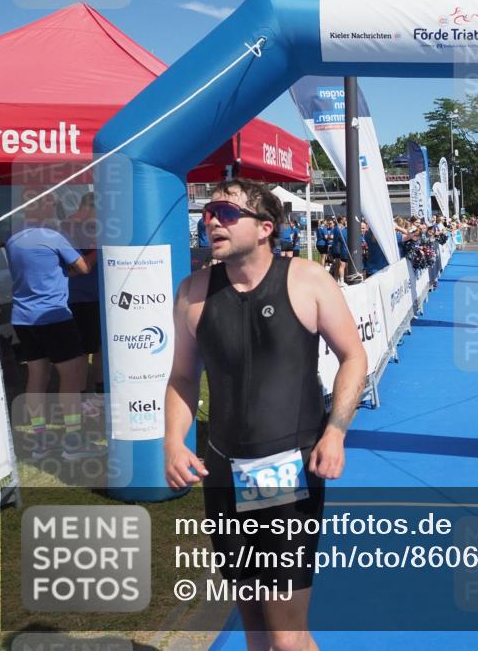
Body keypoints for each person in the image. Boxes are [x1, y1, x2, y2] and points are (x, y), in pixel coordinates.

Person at [164, 179, 367, 651]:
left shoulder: (307, 279)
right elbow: (182, 377)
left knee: (288, 637)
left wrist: (335, 432)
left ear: (264, 228)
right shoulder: (192, 292)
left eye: (226, 212)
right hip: (222, 472)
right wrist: (174, 441)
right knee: (255, 628)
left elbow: (353, 357)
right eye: (209, 212)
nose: (211, 219)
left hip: (286, 471)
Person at [6, 191, 102, 460]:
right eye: (49, 204)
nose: (53, 208)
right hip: (54, 318)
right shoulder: (53, 237)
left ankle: (40, 443)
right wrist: (97, 249)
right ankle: (73, 442)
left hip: (23, 319)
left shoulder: (13, 239)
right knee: (71, 381)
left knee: (37, 378)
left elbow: (50, 271)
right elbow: (83, 268)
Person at [63, 193, 105, 411]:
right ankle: (80, 397)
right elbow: (75, 269)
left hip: (99, 296)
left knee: (99, 347)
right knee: (81, 351)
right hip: (79, 297)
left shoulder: (97, 227)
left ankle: (99, 392)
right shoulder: (70, 228)